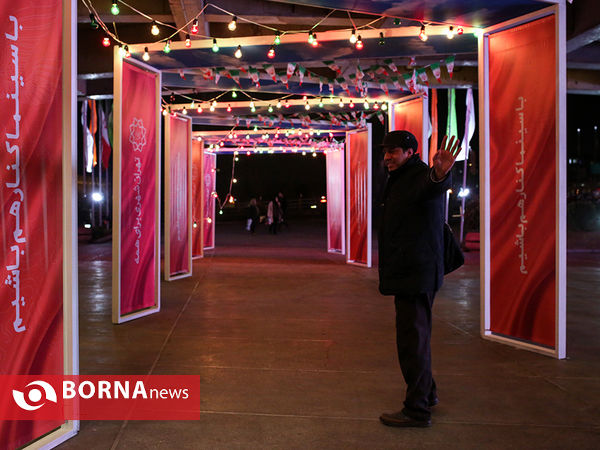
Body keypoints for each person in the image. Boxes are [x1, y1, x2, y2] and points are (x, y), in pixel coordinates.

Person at [377, 130, 460, 428]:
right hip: (412, 271)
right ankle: (428, 393)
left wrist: (440, 173)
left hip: (416, 273)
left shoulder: (419, 176)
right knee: (417, 339)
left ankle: (417, 410)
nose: (388, 156)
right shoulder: (401, 176)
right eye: (386, 150)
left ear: (410, 153)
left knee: (412, 342)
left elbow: (431, 186)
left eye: (394, 151)